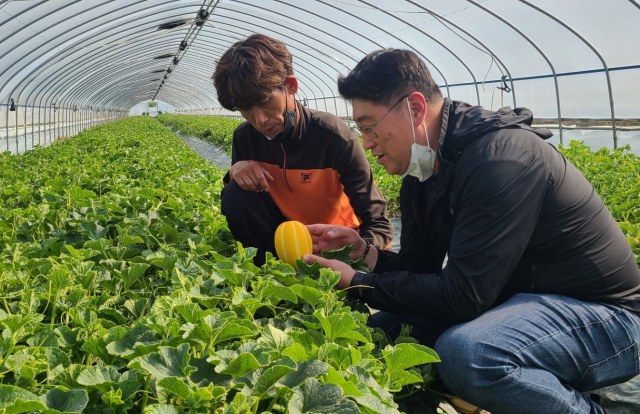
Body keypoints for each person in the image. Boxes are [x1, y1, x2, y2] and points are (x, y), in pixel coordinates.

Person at [303, 49, 640, 414]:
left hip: (607, 317)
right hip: (518, 303)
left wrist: (357, 282)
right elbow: (422, 269)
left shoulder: (502, 159)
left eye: (369, 126)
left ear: (414, 109)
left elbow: (465, 297)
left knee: (468, 354)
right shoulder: (421, 173)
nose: (366, 142)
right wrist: (365, 254)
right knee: (383, 333)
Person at [212, 34, 393, 266]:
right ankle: (267, 272)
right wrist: (236, 173)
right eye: (246, 108)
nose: (260, 120)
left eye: (266, 100)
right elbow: (246, 208)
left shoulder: (333, 137)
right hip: (286, 244)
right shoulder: (245, 138)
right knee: (235, 193)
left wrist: (356, 258)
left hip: (336, 243)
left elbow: (377, 221)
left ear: (291, 86)